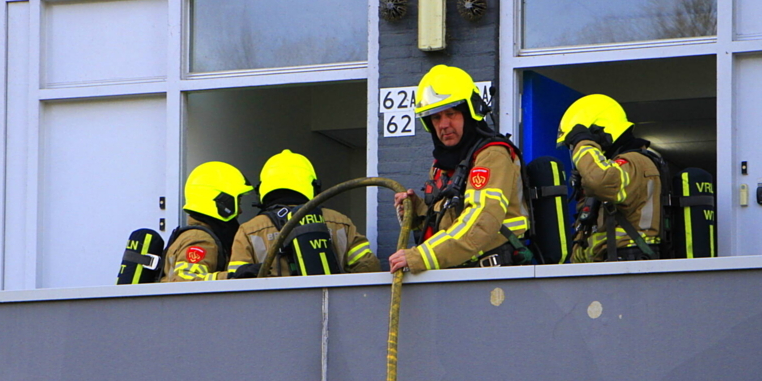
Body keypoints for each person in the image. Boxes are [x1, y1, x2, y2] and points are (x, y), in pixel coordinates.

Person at [389, 65, 529, 274]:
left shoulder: (492, 155)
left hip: (495, 275)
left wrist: (421, 257)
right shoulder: (442, 166)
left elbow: (481, 222)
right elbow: (448, 223)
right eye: (436, 117)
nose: (443, 124)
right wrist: (417, 211)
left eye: (451, 113)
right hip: (458, 273)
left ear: (469, 112)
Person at [227, 150, 380, 278]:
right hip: (331, 308)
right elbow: (368, 268)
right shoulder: (340, 222)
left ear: (262, 188)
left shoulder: (249, 230)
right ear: (313, 186)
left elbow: (237, 281)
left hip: (274, 311)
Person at [557, 94, 663, 261]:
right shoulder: (612, 169)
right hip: (606, 267)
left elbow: (601, 182)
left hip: (629, 267)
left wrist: (584, 142)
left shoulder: (636, 163)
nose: (576, 154)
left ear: (601, 135)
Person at [159, 161, 253, 282]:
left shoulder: (202, 236)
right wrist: (232, 277)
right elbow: (184, 283)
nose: (240, 211)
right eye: (237, 203)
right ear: (221, 201)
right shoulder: (200, 239)